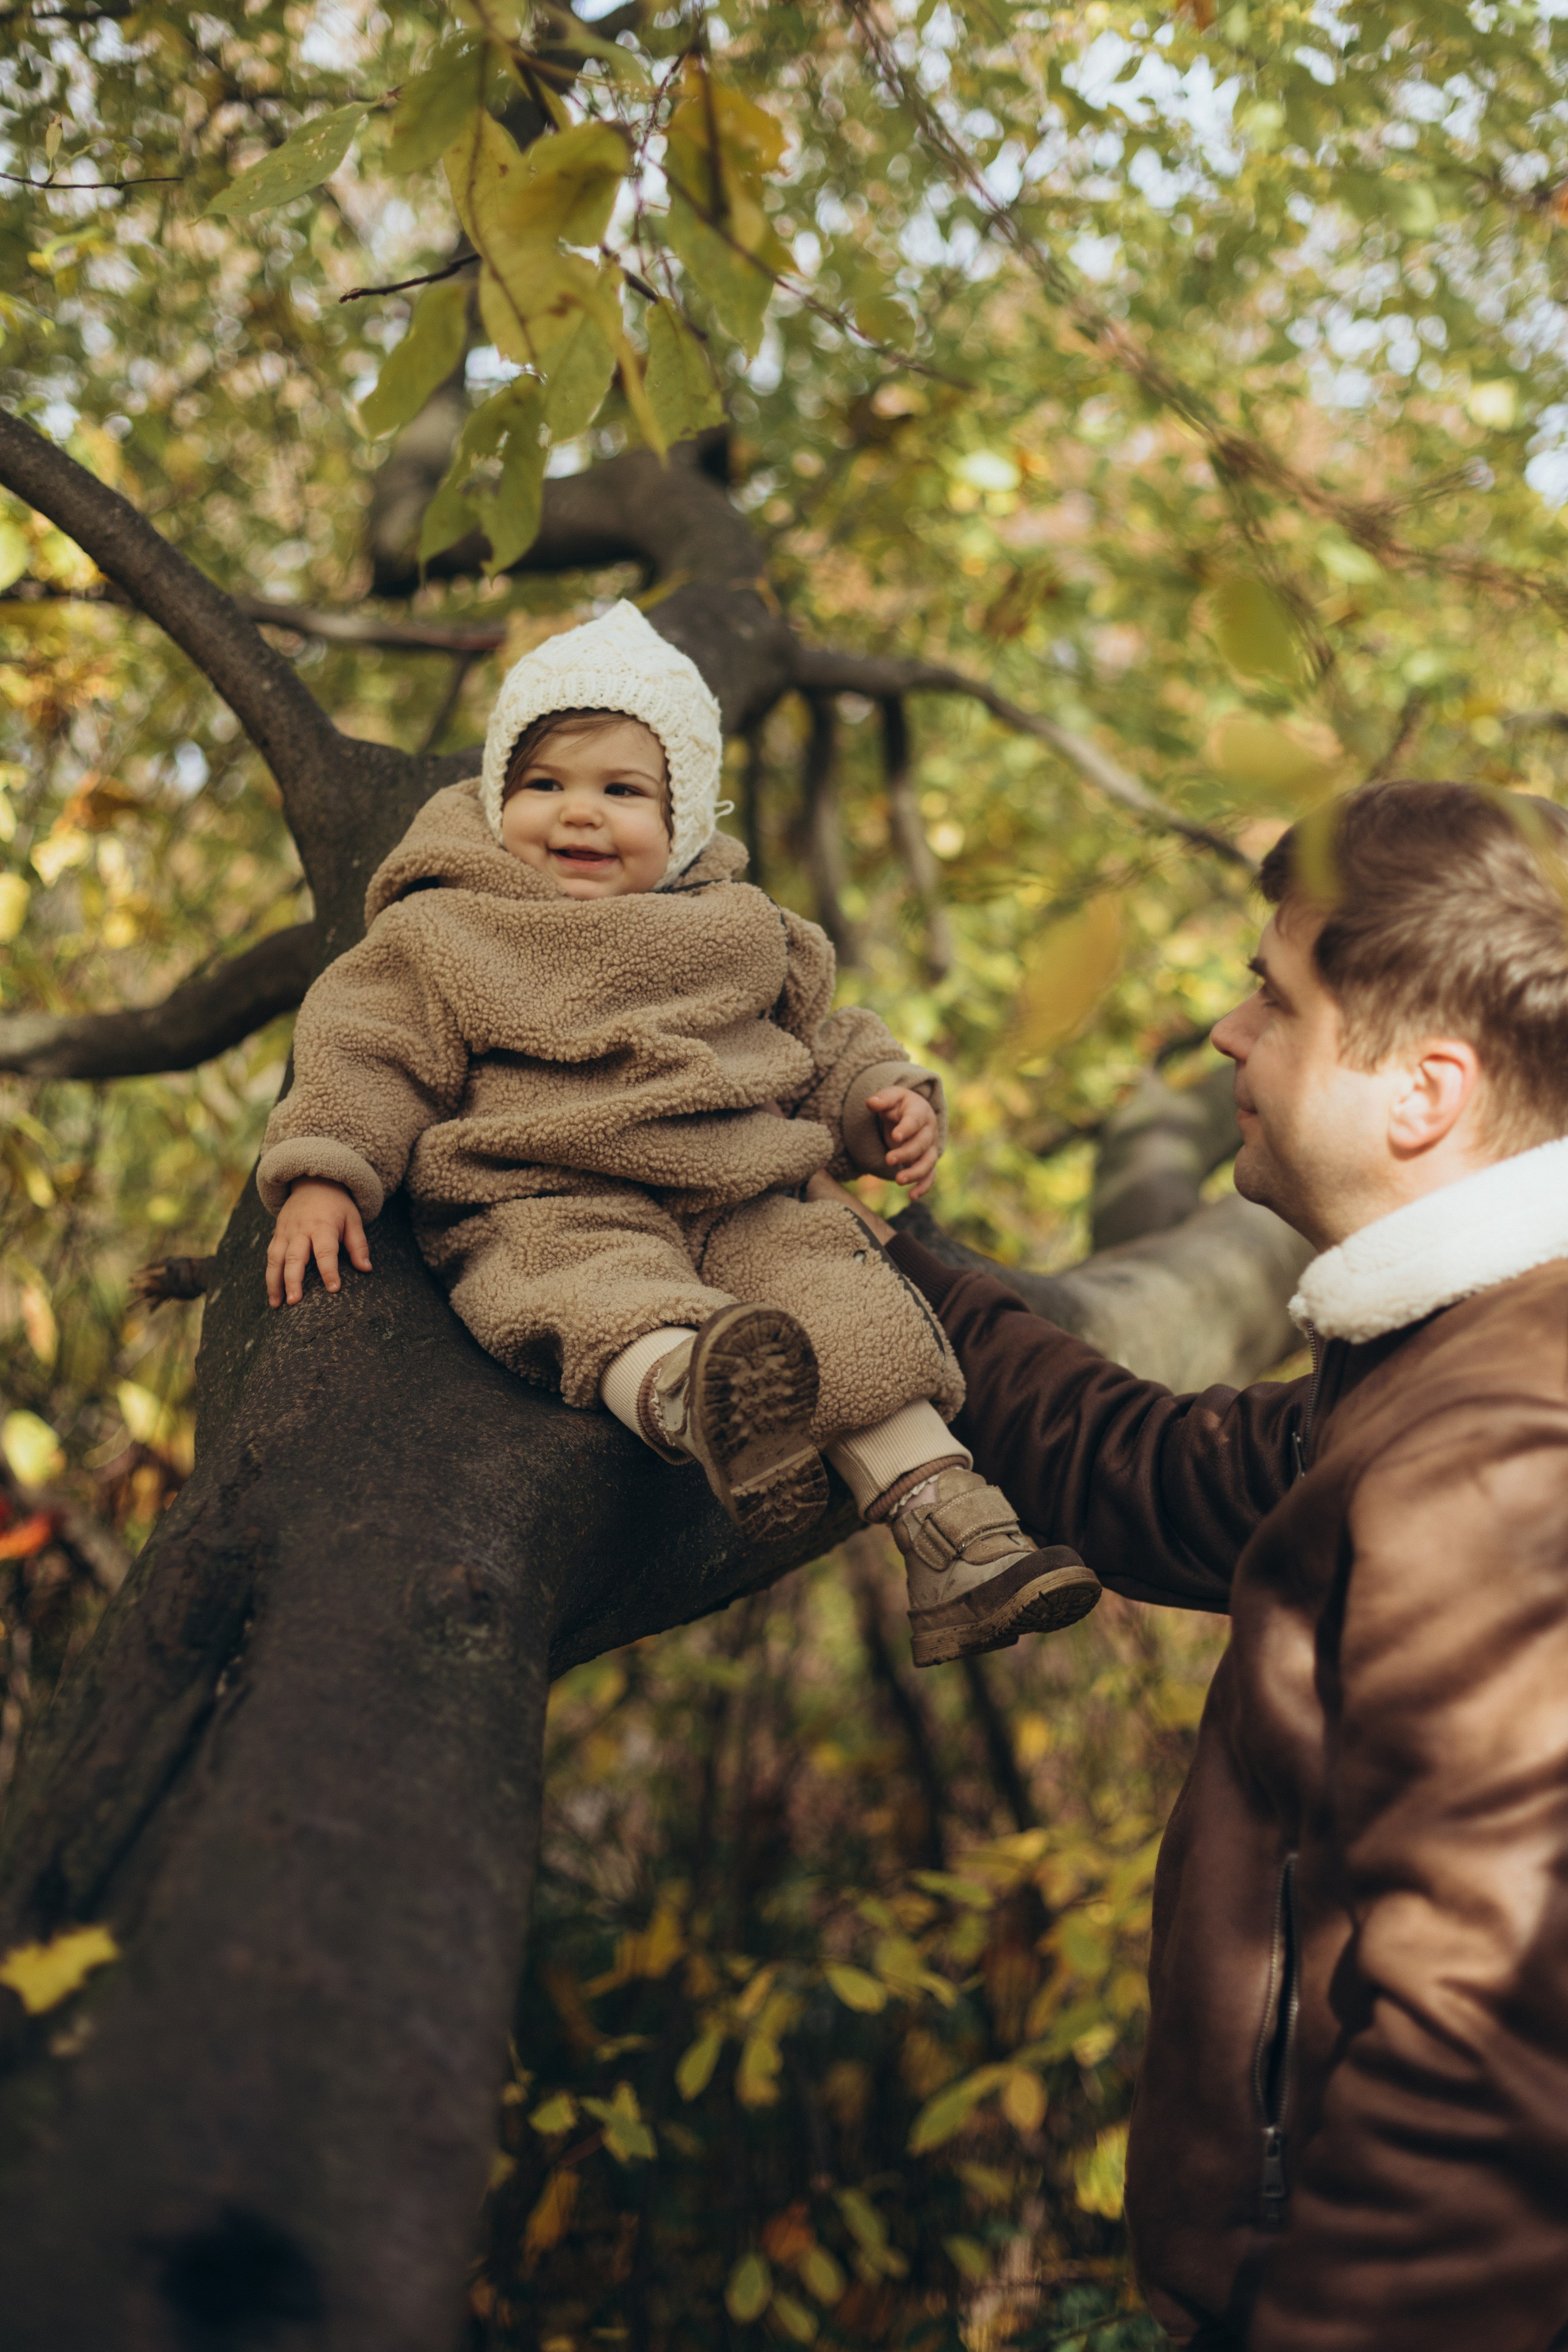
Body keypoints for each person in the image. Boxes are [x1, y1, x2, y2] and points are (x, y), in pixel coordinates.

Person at [815, 780, 1568, 2349]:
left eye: (1270, 997)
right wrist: (882, 1281)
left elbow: (1480, 2064)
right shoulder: (1444, 1372)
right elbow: (1157, 1473)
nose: (1225, 1035)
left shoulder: (1500, 1452)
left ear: (1419, 1095)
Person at [258, 600, 1099, 1664]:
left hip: (740, 1190)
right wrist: (327, 1171)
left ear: (686, 816)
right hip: (549, 1195)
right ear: (494, 794)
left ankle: (953, 1532)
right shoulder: (450, 926)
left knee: (840, 1300)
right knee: (591, 1294)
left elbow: (821, 1042)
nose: (579, 817)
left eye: (623, 792)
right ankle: (706, 1403)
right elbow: (364, 1043)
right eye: (544, 785)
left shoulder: (744, 930)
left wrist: (879, 1106)